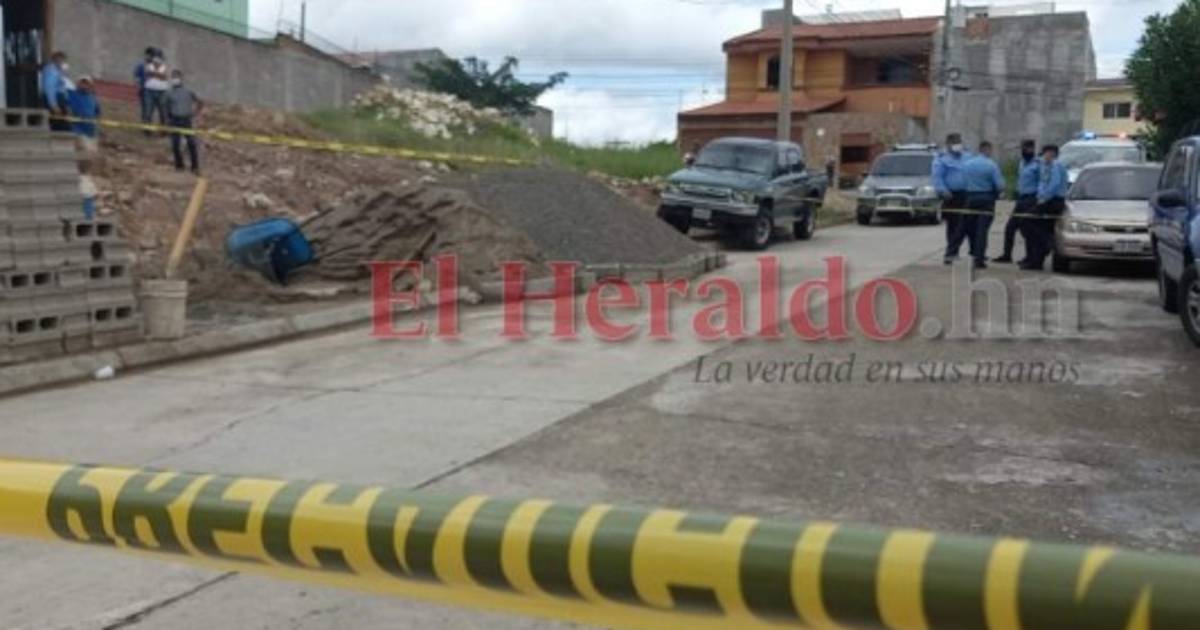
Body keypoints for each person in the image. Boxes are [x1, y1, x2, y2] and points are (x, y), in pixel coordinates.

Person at [956, 141, 1006, 269]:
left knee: (967, 228)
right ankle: (979, 259)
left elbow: (962, 182)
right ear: (987, 150)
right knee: (982, 231)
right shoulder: (991, 165)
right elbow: (1000, 185)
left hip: (970, 198)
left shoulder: (967, 164)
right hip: (986, 199)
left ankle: (956, 252)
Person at [1020, 145, 1069, 271]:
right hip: (1045, 200)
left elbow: (1054, 184)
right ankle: (1036, 262)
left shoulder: (1056, 165)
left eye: (1047, 153)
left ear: (1053, 154)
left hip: (1054, 201)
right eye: (1044, 153)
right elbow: (1042, 183)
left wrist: (1044, 198)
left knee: (1027, 221)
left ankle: (1048, 240)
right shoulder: (1045, 166)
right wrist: (1040, 196)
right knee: (1040, 229)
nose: (1044, 156)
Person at [995, 139, 1040, 264]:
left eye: (1029, 149)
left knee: (1027, 230)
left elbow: (1041, 182)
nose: (1026, 151)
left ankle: (1030, 257)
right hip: (1021, 198)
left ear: (1033, 149)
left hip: (1031, 199)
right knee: (1010, 227)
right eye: (1024, 149)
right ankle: (1007, 255)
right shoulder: (1022, 163)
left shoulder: (1038, 165)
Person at [933, 133, 970, 264]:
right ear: (948, 144)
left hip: (966, 195)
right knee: (954, 226)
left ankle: (957, 252)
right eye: (955, 143)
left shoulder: (967, 156)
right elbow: (937, 177)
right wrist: (943, 191)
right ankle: (951, 253)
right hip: (951, 196)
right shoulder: (942, 159)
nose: (958, 145)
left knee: (966, 226)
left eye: (959, 142)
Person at [164, 70, 204, 173]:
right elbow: (166, 107)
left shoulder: (188, 91)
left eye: (177, 77)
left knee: (191, 143)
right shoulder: (169, 93)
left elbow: (200, 102)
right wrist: (168, 119)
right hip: (175, 120)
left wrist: (195, 112)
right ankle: (179, 166)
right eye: (173, 77)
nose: (175, 79)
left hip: (186, 120)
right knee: (175, 144)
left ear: (181, 79)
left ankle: (194, 166)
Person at [41, 51, 71, 132]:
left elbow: (63, 88)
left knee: (64, 125)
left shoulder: (59, 71)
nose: (63, 63)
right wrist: (54, 105)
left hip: (60, 99)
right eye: (61, 60)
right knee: (59, 126)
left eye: (64, 61)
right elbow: (50, 89)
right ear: (55, 60)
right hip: (55, 101)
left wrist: (67, 104)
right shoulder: (51, 71)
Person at [142, 51, 170, 130]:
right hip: (149, 91)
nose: (157, 59)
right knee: (148, 111)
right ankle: (147, 129)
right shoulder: (149, 66)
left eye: (159, 57)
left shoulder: (164, 67)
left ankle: (163, 130)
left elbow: (164, 77)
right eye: (156, 57)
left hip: (162, 92)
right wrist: (158, 75)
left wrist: (153, 74)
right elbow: (147, 74)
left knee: (163, 112)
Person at [134, 47, 156, 124]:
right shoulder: (141, 65)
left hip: (152, 91)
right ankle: (144, 123)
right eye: (148, 55)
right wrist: (139, 85)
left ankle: (148, 122)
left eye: (151, 56)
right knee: (144, 108)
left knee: (150, 108)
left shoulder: (154, 66)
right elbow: (136, 76)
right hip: (143, 90)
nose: (148, 57)